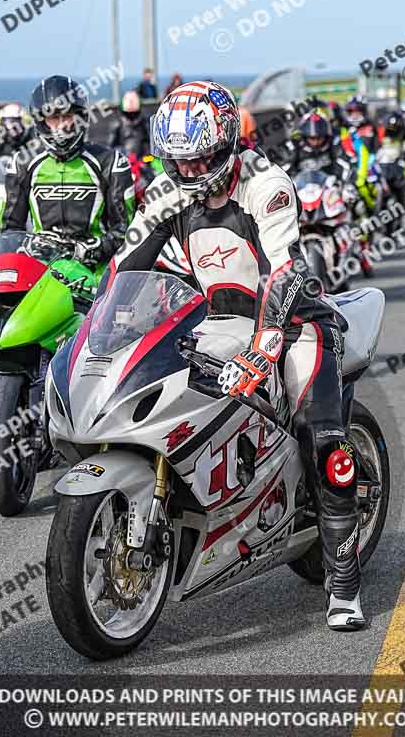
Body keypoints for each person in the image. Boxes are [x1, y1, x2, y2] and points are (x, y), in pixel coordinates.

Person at [108, 80, 366, 630]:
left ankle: (343, 585)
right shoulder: (168, 188)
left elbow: (285, 270)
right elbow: (127, 262)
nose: (191, 171)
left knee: (323, 441)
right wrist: (100, 323)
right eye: (179, 160)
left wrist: (267, 345)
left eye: (201, 158)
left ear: (226, 144)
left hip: (294, 323)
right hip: (219, 321)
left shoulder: (265, 184)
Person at [0, 75, 135, 264]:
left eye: (68, 116)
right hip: (41, 271)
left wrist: (96, 249)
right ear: (41, 120)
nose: (62, 125)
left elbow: (126, 229)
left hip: (95, 276)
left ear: (80, 118)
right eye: (54, 117)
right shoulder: (22, 163)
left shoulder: (110, 162)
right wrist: (26, 249)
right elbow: (9, 231)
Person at [109, 91, 150, 157]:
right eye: (129, 114)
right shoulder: (117, 123)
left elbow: (149, 142)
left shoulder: (145, 122)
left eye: (134, 114)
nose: (132, 117)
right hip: (123, 160)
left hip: (143, 160)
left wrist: (147, 156)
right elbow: (111, 147)